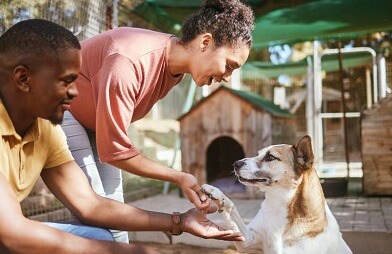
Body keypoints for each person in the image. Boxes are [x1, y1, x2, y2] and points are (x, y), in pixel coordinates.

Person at [0, 19, 244, 254]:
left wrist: (180, 222)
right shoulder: (128, 59)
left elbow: (90, 205)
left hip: (90, 128)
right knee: (108, 242)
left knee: (103, 235)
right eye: (67, 81)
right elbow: (13, 234)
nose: (76, 92)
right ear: (23, 78)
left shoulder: (45, 130)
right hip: (9, 233)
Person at [63, 0, 255, 242]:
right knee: (95, 216)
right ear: (205, 42)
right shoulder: (129, 60)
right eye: (229, 66)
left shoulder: (174, 70)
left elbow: (112, 147)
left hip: (92, 124)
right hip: (61, 110)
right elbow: (115, 151)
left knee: (113, 217)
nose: (227, 77)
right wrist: (178, 176)